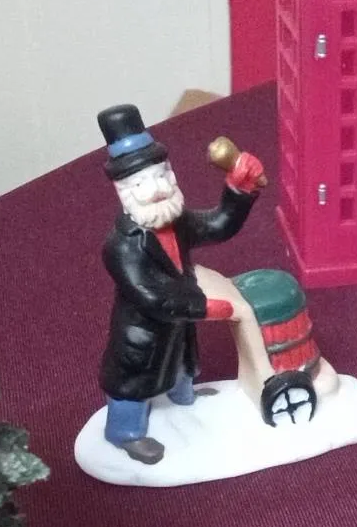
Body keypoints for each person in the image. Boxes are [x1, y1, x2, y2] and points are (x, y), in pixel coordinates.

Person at [95, 104, 264, 465]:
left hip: (177, 326)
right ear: (124, 190)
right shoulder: (122, 245)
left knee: (182, 366)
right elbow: (151, 296)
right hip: (144, 331)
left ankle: (183, 397)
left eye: (162, 176)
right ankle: (125, 433)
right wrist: (204, 307)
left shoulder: (176, 220)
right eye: (142, 183)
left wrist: (238, 190)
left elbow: (218, 225)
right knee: (132, 384)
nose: (157, 189)